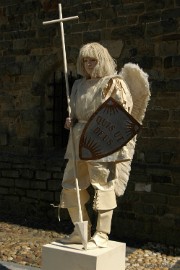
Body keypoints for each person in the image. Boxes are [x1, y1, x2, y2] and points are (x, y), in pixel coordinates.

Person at [58, 42, 148, 249]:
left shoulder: (113, 83)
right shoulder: (78, 85)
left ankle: (102, 233)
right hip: (77, 139)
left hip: (101, 140)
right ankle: (80, 230)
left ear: (102, 60)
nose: (88, 64)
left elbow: (122, 115)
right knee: (70, 185)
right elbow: (74, 113)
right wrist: (69, 121)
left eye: (93, 60)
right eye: (85, 61)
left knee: (103, 186)